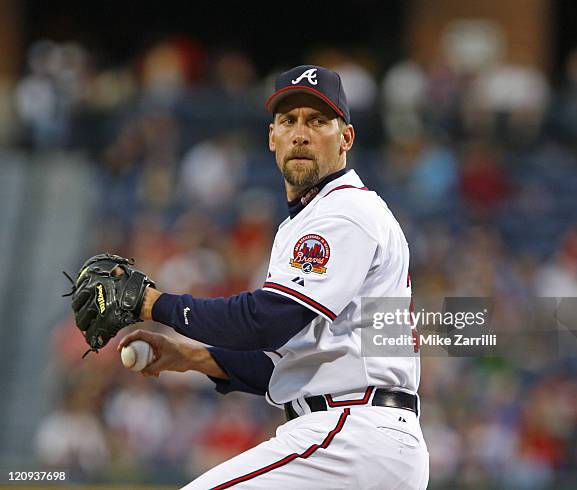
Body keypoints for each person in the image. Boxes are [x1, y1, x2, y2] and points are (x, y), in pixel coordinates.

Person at [118, 65, 429, 489]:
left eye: (318, 121)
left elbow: (267, 320)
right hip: (367, 440)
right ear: (272, 138)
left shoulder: (343, 212)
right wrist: (188, 357)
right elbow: (295, 364)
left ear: (346, 139)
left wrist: (152, 303)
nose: (300, 133)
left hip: (349, 438)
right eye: (289, 121)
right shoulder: (322, 217)